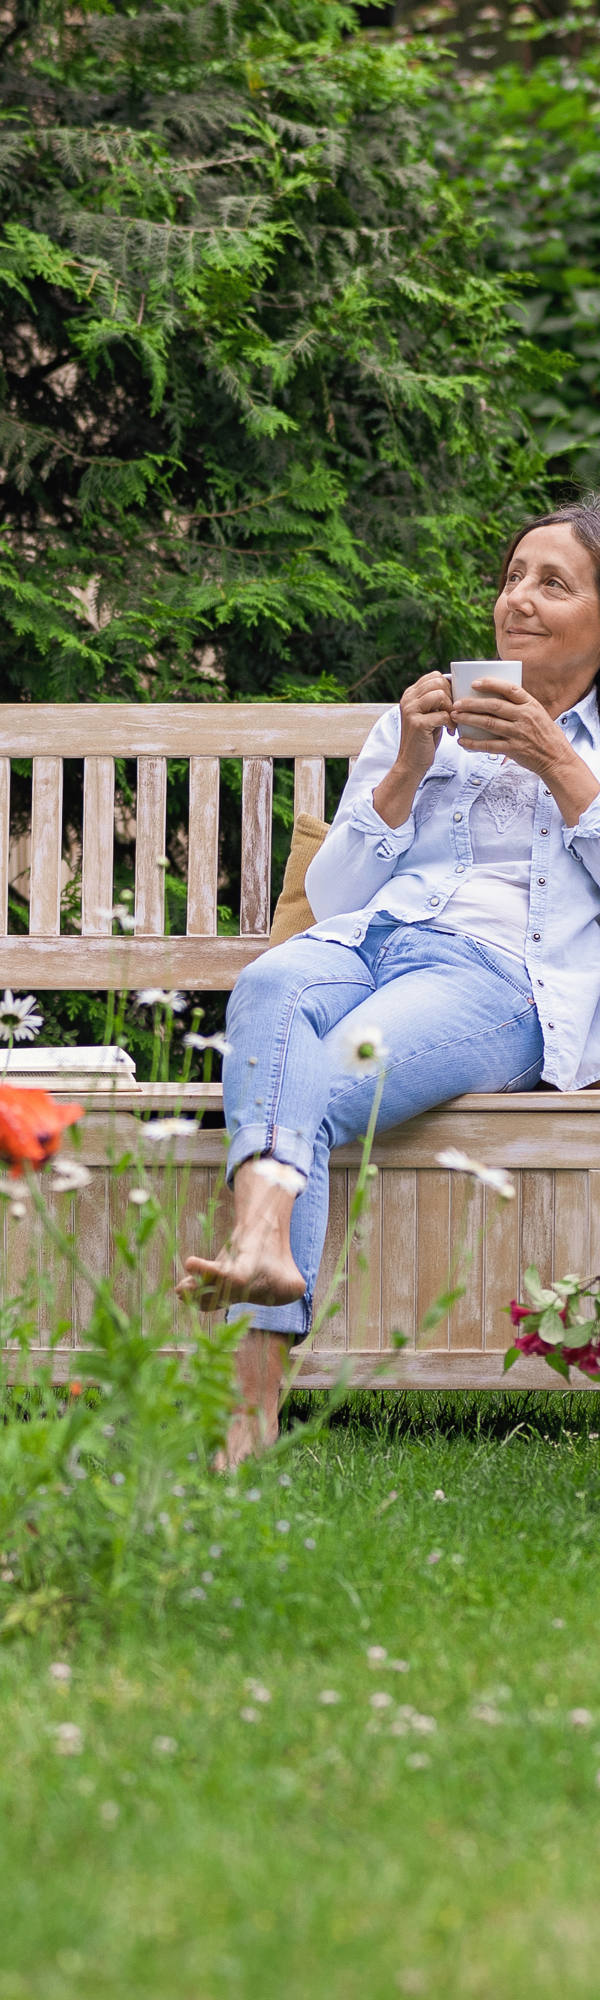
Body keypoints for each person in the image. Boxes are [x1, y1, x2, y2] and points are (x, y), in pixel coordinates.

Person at [177, 500, 600, 1465]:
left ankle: (249, 1403)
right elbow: (335, 894)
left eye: (553, 583)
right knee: (272, 983)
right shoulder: (423, 722)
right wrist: (406, 767)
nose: (518, 600)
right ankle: (265, 1249)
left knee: (316, 1075)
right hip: (372, 941)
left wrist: (556, 759)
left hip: (499, 981)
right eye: (513, 577)